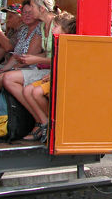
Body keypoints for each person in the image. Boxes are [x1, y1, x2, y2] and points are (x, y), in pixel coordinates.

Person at [1, 0, 59, 138]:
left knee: (9, 79)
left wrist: (35, 60)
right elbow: (48, 54)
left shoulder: (57, 26)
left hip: (54, 70)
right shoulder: (42, 27)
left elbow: (62, 57)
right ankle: (42, 122)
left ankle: (47, 124)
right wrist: (34, 58)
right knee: (22, 87)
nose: (28, 10)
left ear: (42, 9)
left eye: (32, 6)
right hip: (46, 68)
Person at [22, 11, 76, 141]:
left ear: (65, 30)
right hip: (53, 76)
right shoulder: (58, 43)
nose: (53, 28)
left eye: (56, 26)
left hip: (60, 78)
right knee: (27, 90)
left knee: (36, 92)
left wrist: (52, 76)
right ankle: (44, 121)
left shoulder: (68, 45)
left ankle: (53, 124)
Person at [0, 0, 42, 90]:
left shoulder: (38, 29)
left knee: (2, 78)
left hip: (33, 67)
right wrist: (4, 69)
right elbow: (16, 54)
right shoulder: (23, 30)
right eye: (24, 13)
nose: (26, 16)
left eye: (30, 13)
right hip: (19, 65)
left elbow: (27, 58)